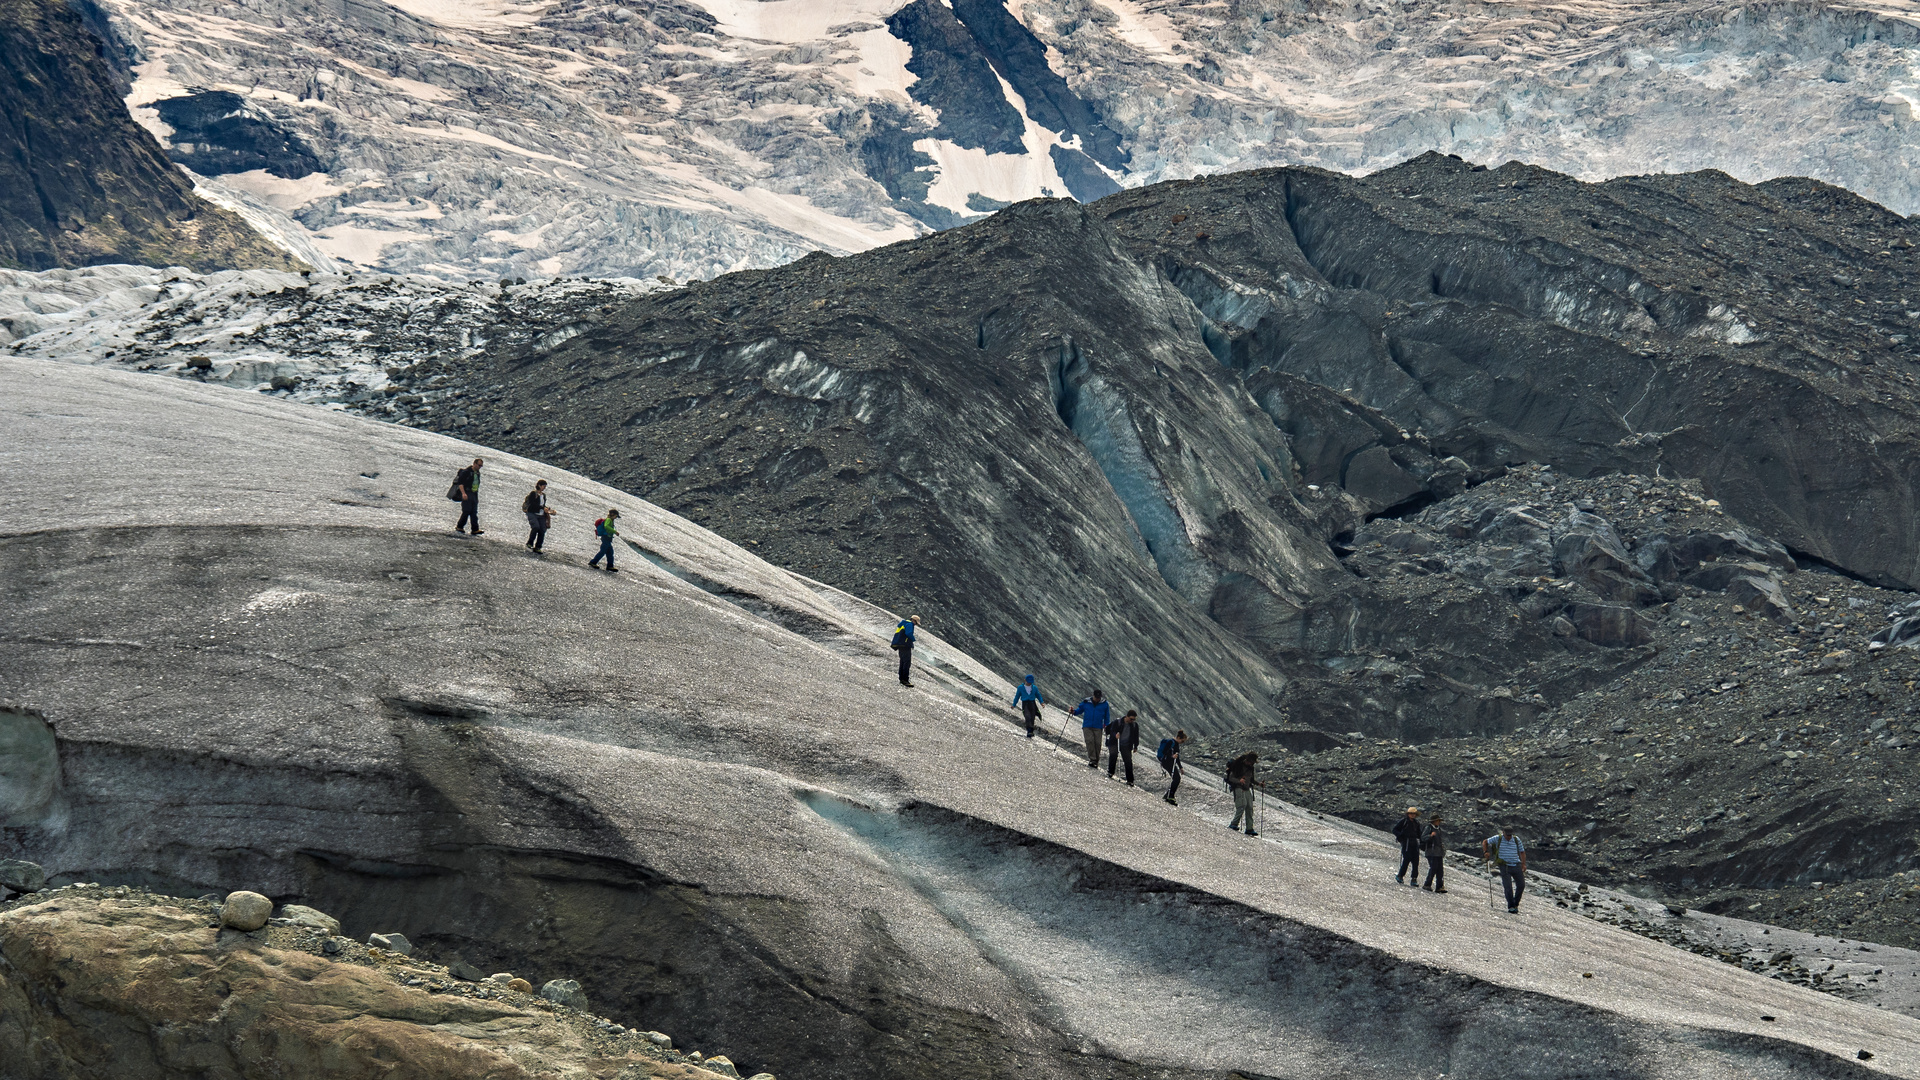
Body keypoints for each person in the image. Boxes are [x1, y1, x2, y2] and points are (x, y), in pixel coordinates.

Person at [1483, 825, 1527, 913]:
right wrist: (1485, 852)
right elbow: (1485, 842)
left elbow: (1522, 852)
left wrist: (1523, 864)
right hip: (1504, 865)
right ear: (1503, 833)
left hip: (1516, 865)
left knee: (1521, 885)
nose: (1508, 837)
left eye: (1510, 835)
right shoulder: (1497, 838)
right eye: (1507, 835)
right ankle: (1511, 906)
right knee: (1508, 887)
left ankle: (1515, 903)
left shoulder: (1516, 839)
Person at [1069, 690, 1110, 768]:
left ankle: (1095, 761)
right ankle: (1093, 760)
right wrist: (1073, 712)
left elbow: (1107, 716)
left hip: (1098, 726)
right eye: (1096, 697)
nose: (1097, 699)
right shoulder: (1086, 702)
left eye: (1099, 697)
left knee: (1097, 744)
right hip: (1087, 725)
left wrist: (1106, 725)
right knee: (1089, 741)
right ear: (1093, 695)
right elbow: (1079, 710)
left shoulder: (1105, 704)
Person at [1225, 752, 1261, 836]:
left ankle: (1249, 828)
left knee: (1249, 807)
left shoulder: (1250, 767)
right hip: (1238, 787)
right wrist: (1239, 781)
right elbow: (1231, 778)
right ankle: (1234, 824)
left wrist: (1258, 784)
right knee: (1242, 805)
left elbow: (1251, 779)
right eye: (1252, 761)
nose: (1252, 763)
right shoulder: (1238, 766)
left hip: (1246, 787)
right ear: (1248, 760)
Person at [1107, 709, 1140, 785]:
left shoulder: (1135, 725)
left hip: (1126, 745)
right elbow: (1112, 730)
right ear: (1127, 716)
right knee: (1113, 755)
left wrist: (1136, 746)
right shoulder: (1118, 722)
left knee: (1128, 761)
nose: (1132, 721)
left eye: (1134, 719)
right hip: (1115, 742)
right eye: (1131, 719)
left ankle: (1130, 780)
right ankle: (1110, 772)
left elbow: (1136, 736)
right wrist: (1115, 735)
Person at [1393, 806, 1424, 886]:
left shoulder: (1416, 823)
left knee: (1415, 861)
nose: (1413, 815)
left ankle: (1414, 879)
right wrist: (1401, 836)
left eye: (1414, 814)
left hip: (1414, 843)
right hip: (1406, 843)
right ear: (1408, 814)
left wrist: (1422, 841)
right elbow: (1395, 829)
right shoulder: (1404, 821)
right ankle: (1400, 876)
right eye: (1411, 814)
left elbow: (1419, 833)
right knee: (1406, 860)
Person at [453, 458, 484, 535]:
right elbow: (460, 483)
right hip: (467, 492)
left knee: (474, 511)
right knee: (466, 510)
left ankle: (475, 529)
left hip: (474, 493)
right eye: (479, 465)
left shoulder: (477, 473)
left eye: (481, 466)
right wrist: (463, 493)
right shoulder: (466, 472)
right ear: (474, 463)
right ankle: (459, 526)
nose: (479, 467)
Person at [1156, 730, 1187, 805]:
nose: (1182, 743)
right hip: (1166, 762)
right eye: (1182, 741)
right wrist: (1171, 756)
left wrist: (1180, 767)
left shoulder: (1176, 744)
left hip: (1170, 762)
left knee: (1176, 779)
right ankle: (1170, 796)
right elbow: (1164, 752)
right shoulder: (1171, 742)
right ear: (1178, 737)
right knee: (1176, 779)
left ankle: (1168, 795)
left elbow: (1177, 757)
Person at [522, 480, 553, 553]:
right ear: (539, 485)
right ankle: (529, 543)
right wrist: (543, 508)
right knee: (536, 527)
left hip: (541, 515)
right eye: (543, 486)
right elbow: (533, 504)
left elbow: (542, 505)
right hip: (533, 513)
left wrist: (547, 509)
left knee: (542, 530)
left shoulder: (543, 495)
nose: (544, 488)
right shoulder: (533, 494)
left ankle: (538, 547)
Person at [1421, 814, 1448, 893]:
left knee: (1440, 870)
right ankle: (1427, 884)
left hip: (1438, 852)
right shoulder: (1428, 828)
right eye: (1437, 821)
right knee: (1433, 868)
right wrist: (1430, 836)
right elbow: (1423, 838)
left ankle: (1439, 887)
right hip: (1431, 852)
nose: (1439, 822)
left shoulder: (1438, 829)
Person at [891, 616, 920, 687]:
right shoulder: (910, 624)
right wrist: (913, 639)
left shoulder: (903, 623)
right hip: (905, 645)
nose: (915, 624)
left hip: (900, 645)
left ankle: (901, 678)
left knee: (902, 661)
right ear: (914, 620)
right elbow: (908, 633)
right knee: (907, 662)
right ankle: (905, 680)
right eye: (916, 623)